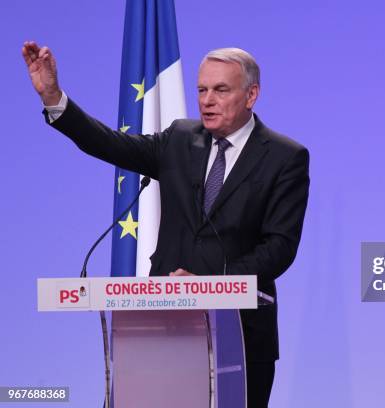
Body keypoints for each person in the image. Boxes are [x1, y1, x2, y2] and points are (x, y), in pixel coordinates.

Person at [22, 41, 309, 407]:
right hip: (165, 330)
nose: (207, 100)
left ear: (251, 94)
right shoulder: (178, 139)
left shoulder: (285, 157)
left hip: (242, 337)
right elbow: (109, 143)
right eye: (202, 89)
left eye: (221, 90)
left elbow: (280, 247)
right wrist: (53, 97)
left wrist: (213, 287)